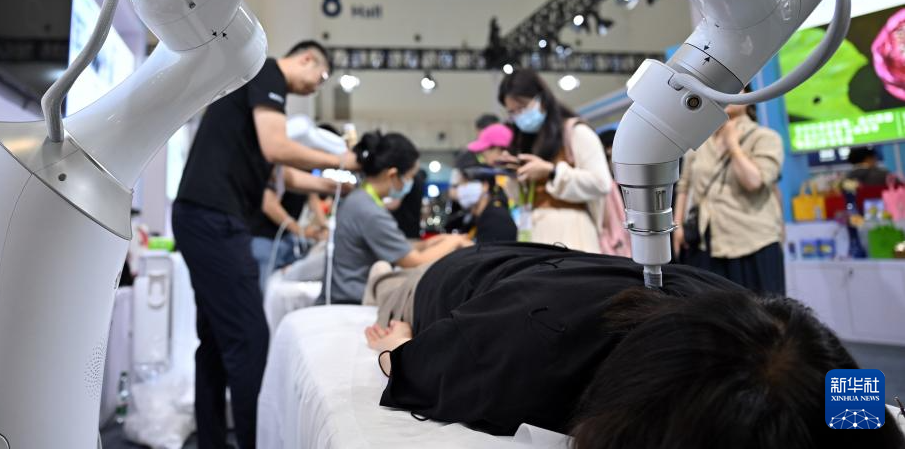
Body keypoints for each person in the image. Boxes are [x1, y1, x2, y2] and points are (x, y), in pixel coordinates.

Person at [364, 243, 905, 448]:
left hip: (558, 267)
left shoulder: (778, 335)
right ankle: (385, 269)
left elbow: (875, 422)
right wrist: (400, 343)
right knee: (390, 285)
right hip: (451, 280)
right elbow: (411, 366)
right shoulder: (523, 354)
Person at [173, 40, 358, 449]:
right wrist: (345, 161)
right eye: (320, 77)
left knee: (216, 340)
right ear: (307, 59)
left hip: (203, 215)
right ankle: (255, 441)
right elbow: (278, 149)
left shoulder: (256, 95)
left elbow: (284, 176)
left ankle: (213, 442)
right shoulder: (265, 71)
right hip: (214, 218)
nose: (316, 86)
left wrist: (334, 184)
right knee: (250, 338)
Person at [321, 130, 471, 305]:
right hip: (351, 301)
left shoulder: (361, 200)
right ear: (392, 174)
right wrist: (454, 241)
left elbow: (399, 245)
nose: (410, 183)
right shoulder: (369, 211)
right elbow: (414, 261)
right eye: (409, 177)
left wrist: (433, 242)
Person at [674, 91, 785, 295]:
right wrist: (678, 226)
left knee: (761, 310)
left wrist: (733, 146)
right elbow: (683, 186)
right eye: (723, 89)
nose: (729, 94)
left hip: (754, 241)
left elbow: (754, 182)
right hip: (706, 243)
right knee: (715, 310)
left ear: (749, 97)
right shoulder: (699, 143)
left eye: (737, 89)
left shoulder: (765, 137)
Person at [498, 69, 612, 251]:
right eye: (512, 112)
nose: (519, 116)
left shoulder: (576, 132)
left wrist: (552, 172)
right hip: (533, 236)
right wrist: (512, 173)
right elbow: (520, 201)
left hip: (573, 235)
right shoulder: (525, 141)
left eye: (522, 107)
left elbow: (601, 183)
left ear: (541, 99)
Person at [452, 169, 517, 243]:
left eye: (465, 183)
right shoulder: (474, 219)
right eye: (459, 185)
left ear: (485, 186)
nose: (460, 189)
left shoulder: (497, 219)